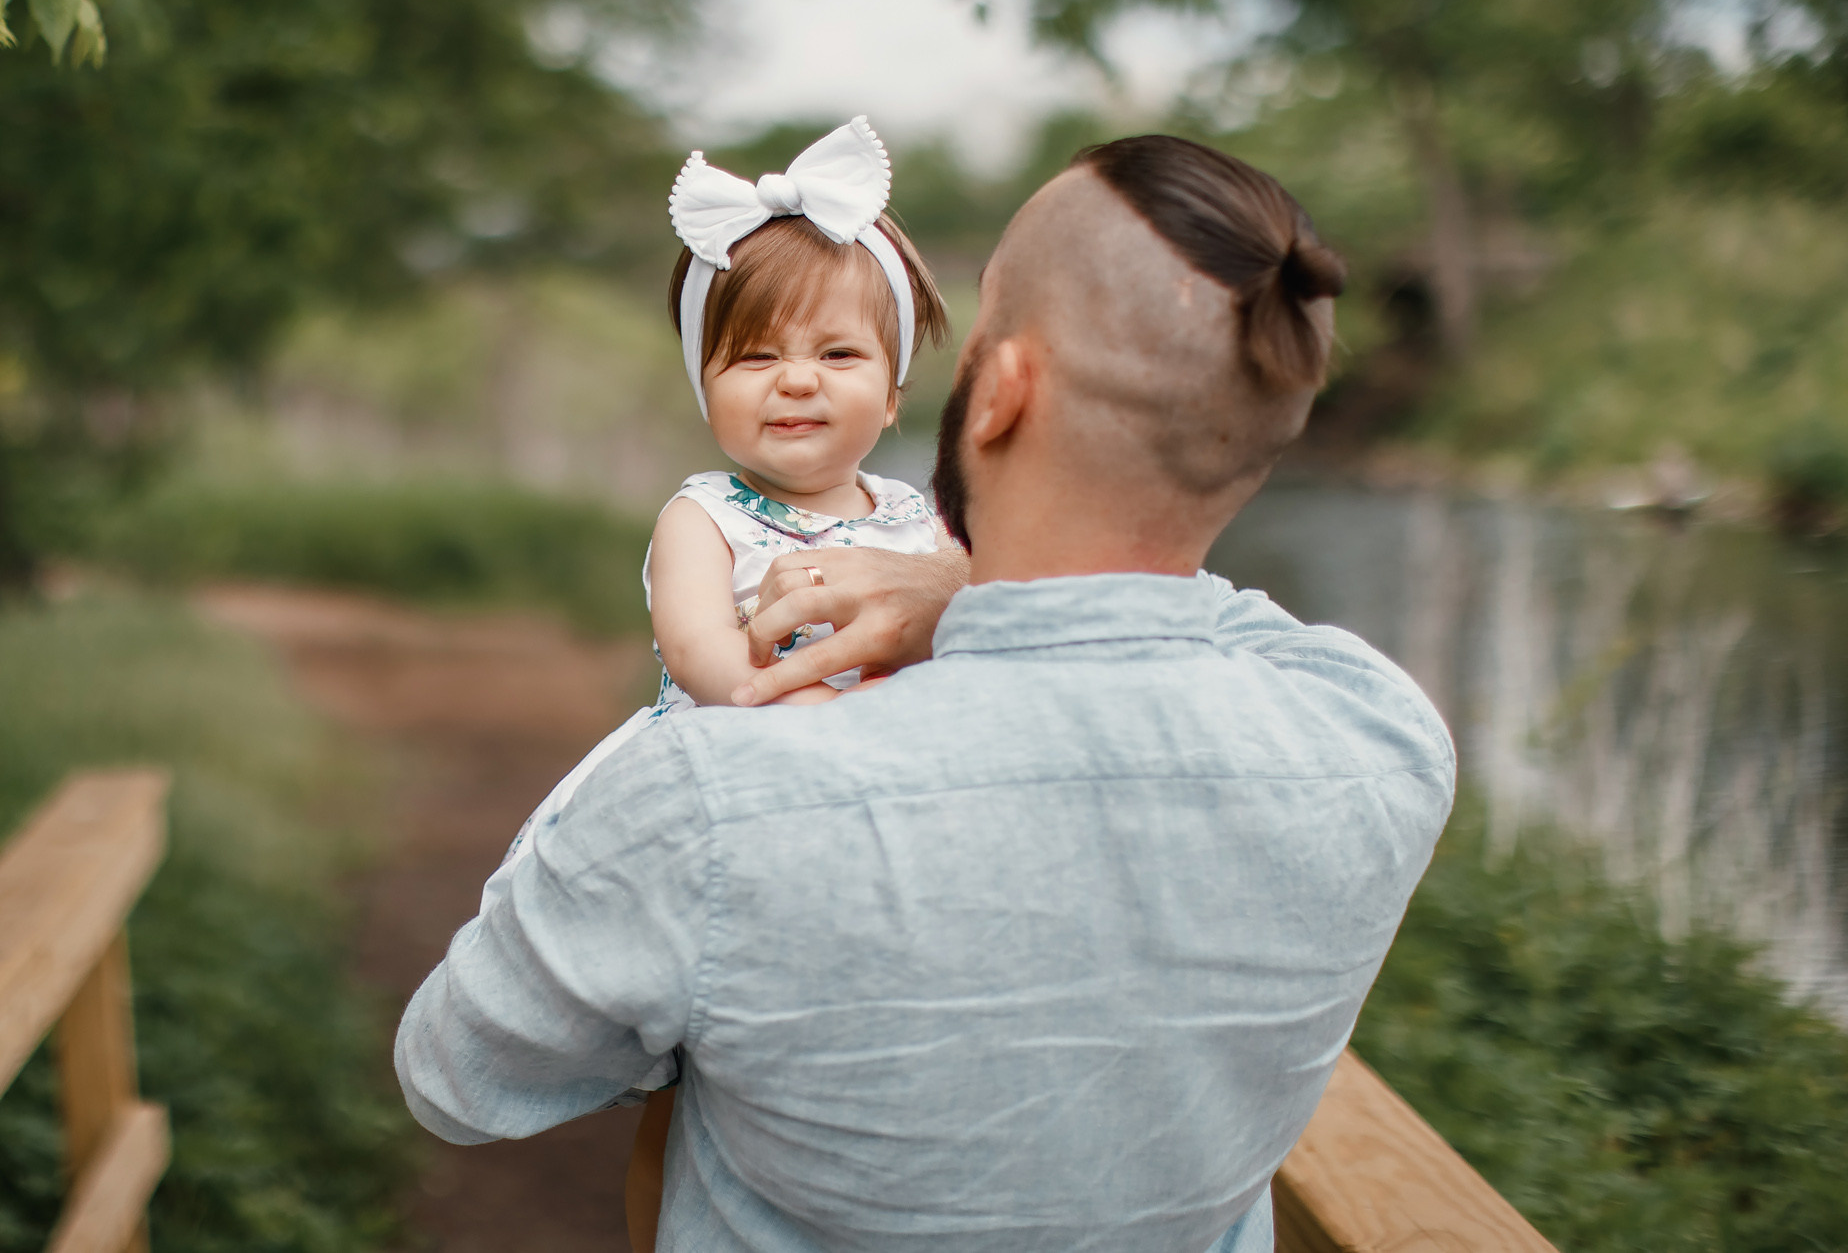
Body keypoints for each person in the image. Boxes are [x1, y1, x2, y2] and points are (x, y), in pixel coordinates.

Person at [394, 135, 1457, 1253]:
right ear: (1264, 436)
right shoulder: (1379, 733)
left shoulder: (713, 806)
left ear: (997, 391)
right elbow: (1208, 617)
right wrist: (957, 592)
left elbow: (457, 1078)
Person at [482, 119, 955, 1247]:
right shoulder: (703, 515)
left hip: (887, 826)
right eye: (754, 356)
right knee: (700, 1080)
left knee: (850, 1065)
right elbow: (705, 653)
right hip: (730, 812)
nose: (795, 379)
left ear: (891, 395)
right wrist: (821, 711)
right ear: (707, 384)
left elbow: (961, 638)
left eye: (837, 356)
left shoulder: (921, 523)